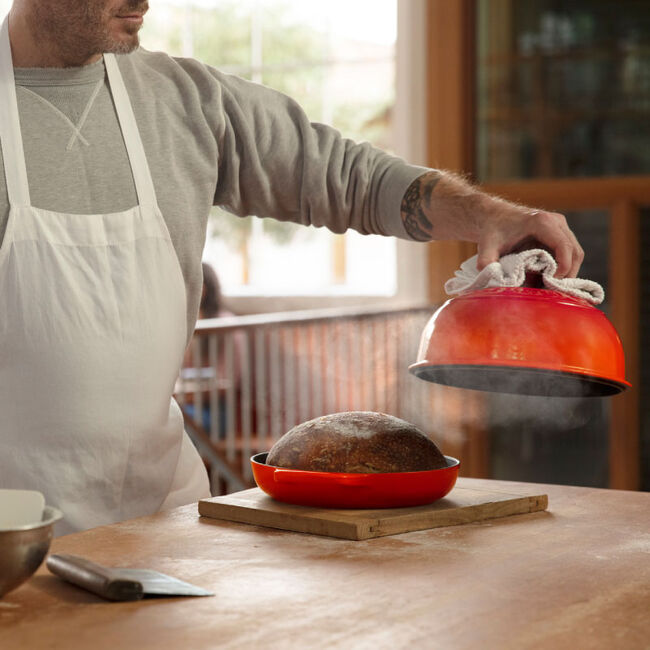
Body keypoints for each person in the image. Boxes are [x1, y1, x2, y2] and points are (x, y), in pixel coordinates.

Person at [0, 0, 584, 534]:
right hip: (11, 530)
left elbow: (348, 176)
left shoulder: (187, 100)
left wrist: (489, 214)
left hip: (160, 518)